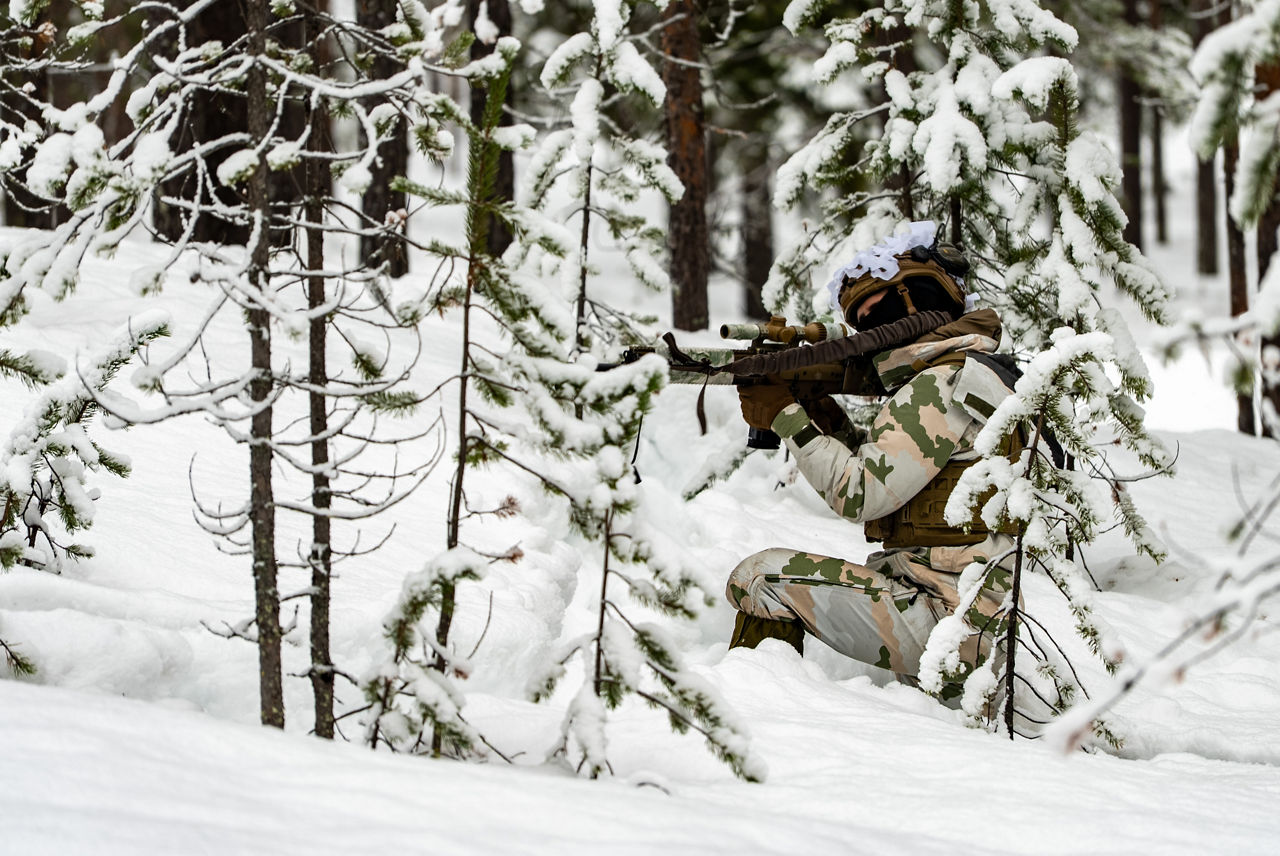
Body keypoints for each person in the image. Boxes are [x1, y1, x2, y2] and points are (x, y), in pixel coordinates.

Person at [726, 224, 1020, 701]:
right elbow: (892, 471)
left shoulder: (937, 385)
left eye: (876, 315)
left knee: (757, 579)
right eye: (861, 323)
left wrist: (783, 415)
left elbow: (859, 494)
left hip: (945, 616)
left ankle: (760, 711)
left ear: (914, 304)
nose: (871, 332)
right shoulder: (969, 375)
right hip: (965, 612)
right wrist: (818, 409)